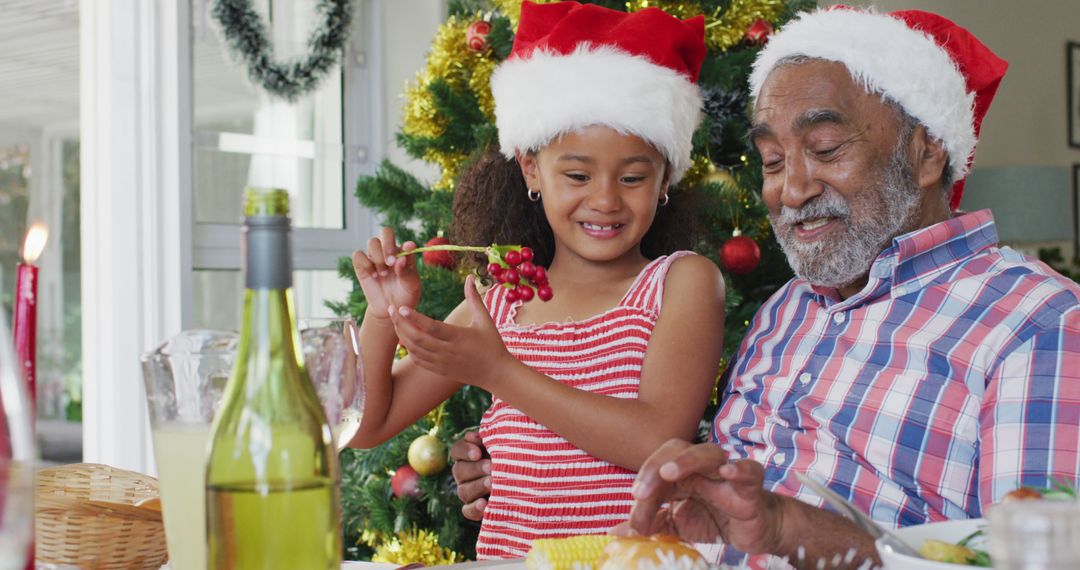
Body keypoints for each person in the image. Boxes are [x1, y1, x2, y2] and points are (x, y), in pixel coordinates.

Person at [453, 6, 1080, 569]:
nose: (792, 189)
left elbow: (1039, 562)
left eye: (826, 148)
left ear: (927, 153)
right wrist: (524, 457)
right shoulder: (787, 312)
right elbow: (719, 483)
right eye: (773, 161)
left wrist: (791, 528)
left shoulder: (1033, 324)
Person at [350, 0, 725, 560]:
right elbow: (365, 425)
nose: (604, 199)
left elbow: (656, 440)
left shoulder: (681, 283)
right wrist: (383, 317)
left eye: (632, 177)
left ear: (665, 177)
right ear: (531, 168)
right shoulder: (499, 305)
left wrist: (500, 370)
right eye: (577, 174)